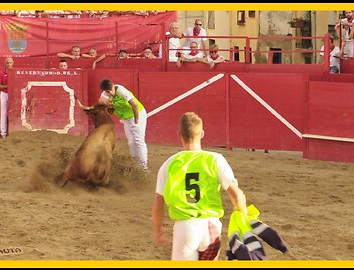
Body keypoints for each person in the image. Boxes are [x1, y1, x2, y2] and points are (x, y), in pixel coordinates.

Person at [152, 112, 249, 260]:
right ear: (202, 134)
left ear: (179, 134)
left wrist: (158, 230)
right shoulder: (215, 160)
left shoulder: (169, 164)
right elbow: (237, 195)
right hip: (212, 227)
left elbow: (159, 201)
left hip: (185, 227)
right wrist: (243, 217)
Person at [98, 79, 148, 170]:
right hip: (126, 118)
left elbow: (135, 105)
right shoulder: (106, 93)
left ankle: (144, 168)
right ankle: (137, 167)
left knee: (139, 141)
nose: (109, 93)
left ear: (113, 86)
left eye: (110, 91)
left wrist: (137, 119)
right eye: (107, 91)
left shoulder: (121, 90)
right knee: (131, 143)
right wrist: (104, 102)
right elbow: (100, 101)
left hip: (137, 114)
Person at [0, 57, 13, 138]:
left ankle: (13, 132)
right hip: (4, 94)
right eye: (7, 63)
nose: (9, 64)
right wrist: (8, 86)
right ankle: (3, 134)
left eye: (10, 62)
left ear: (13, 63)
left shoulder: (15, 72)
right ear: (4, 63)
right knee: (3, 113)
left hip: (14, 94)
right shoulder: (1, 73)